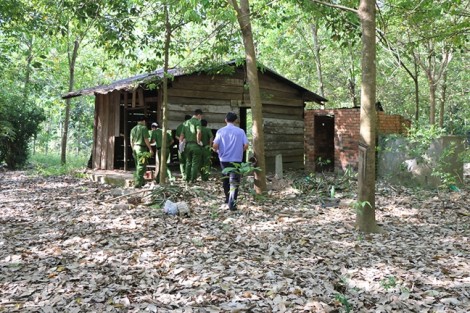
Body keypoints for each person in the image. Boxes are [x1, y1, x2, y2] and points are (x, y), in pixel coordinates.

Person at [213, 112, 248, 210]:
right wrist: (240, 151)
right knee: (234, 181)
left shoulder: (220, 131)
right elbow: (246, 145)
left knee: (225, 179)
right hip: (236, 159)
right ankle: (232, 204)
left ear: (225, 120)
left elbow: (215, 145)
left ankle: (227, 198)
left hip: (224, 159)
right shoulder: (240, 131)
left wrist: (217, 151)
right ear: (236, 120)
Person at [179, 109, 203, 183]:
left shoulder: (186, 123)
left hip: (187, 145)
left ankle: (187, 178)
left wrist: (181, 143)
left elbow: (182, 135)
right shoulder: (197, 122)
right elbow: (198, 132)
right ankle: (193, 179)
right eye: (201, 116)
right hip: (195, 145)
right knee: (195, 163)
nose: (201, 117)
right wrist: (198, 141)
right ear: (198, 115)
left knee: (188, 162)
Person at [130, 116, 153, 188]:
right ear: (143, 121)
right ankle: (138, 183)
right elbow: (146, 139)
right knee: (141, 166)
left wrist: (133, 149)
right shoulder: (144, 128)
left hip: (135, 148)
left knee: (137, 165)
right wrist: (150, 149)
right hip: (141, 148)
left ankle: (141, 181)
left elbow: (131, 141)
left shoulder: (133, 129)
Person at [175, 114, 192, 180]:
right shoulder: (190, 126)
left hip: (181, 144)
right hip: (188, 145)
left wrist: (181, 140)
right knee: (188, 160)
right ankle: (188, 175)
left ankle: (183, 174)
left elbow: (176, 136)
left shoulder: (179, 126)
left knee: (182, 161)